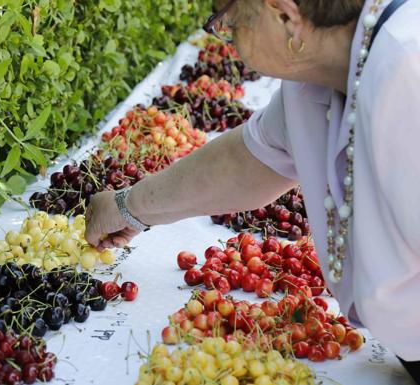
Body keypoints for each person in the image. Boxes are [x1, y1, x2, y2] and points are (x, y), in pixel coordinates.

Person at [84, 0, 420, 382]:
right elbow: (249, 161)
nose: (228, 38)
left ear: (284, 14)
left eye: (229, 20)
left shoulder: (409, 75)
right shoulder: (319, 78)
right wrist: (128, 207)